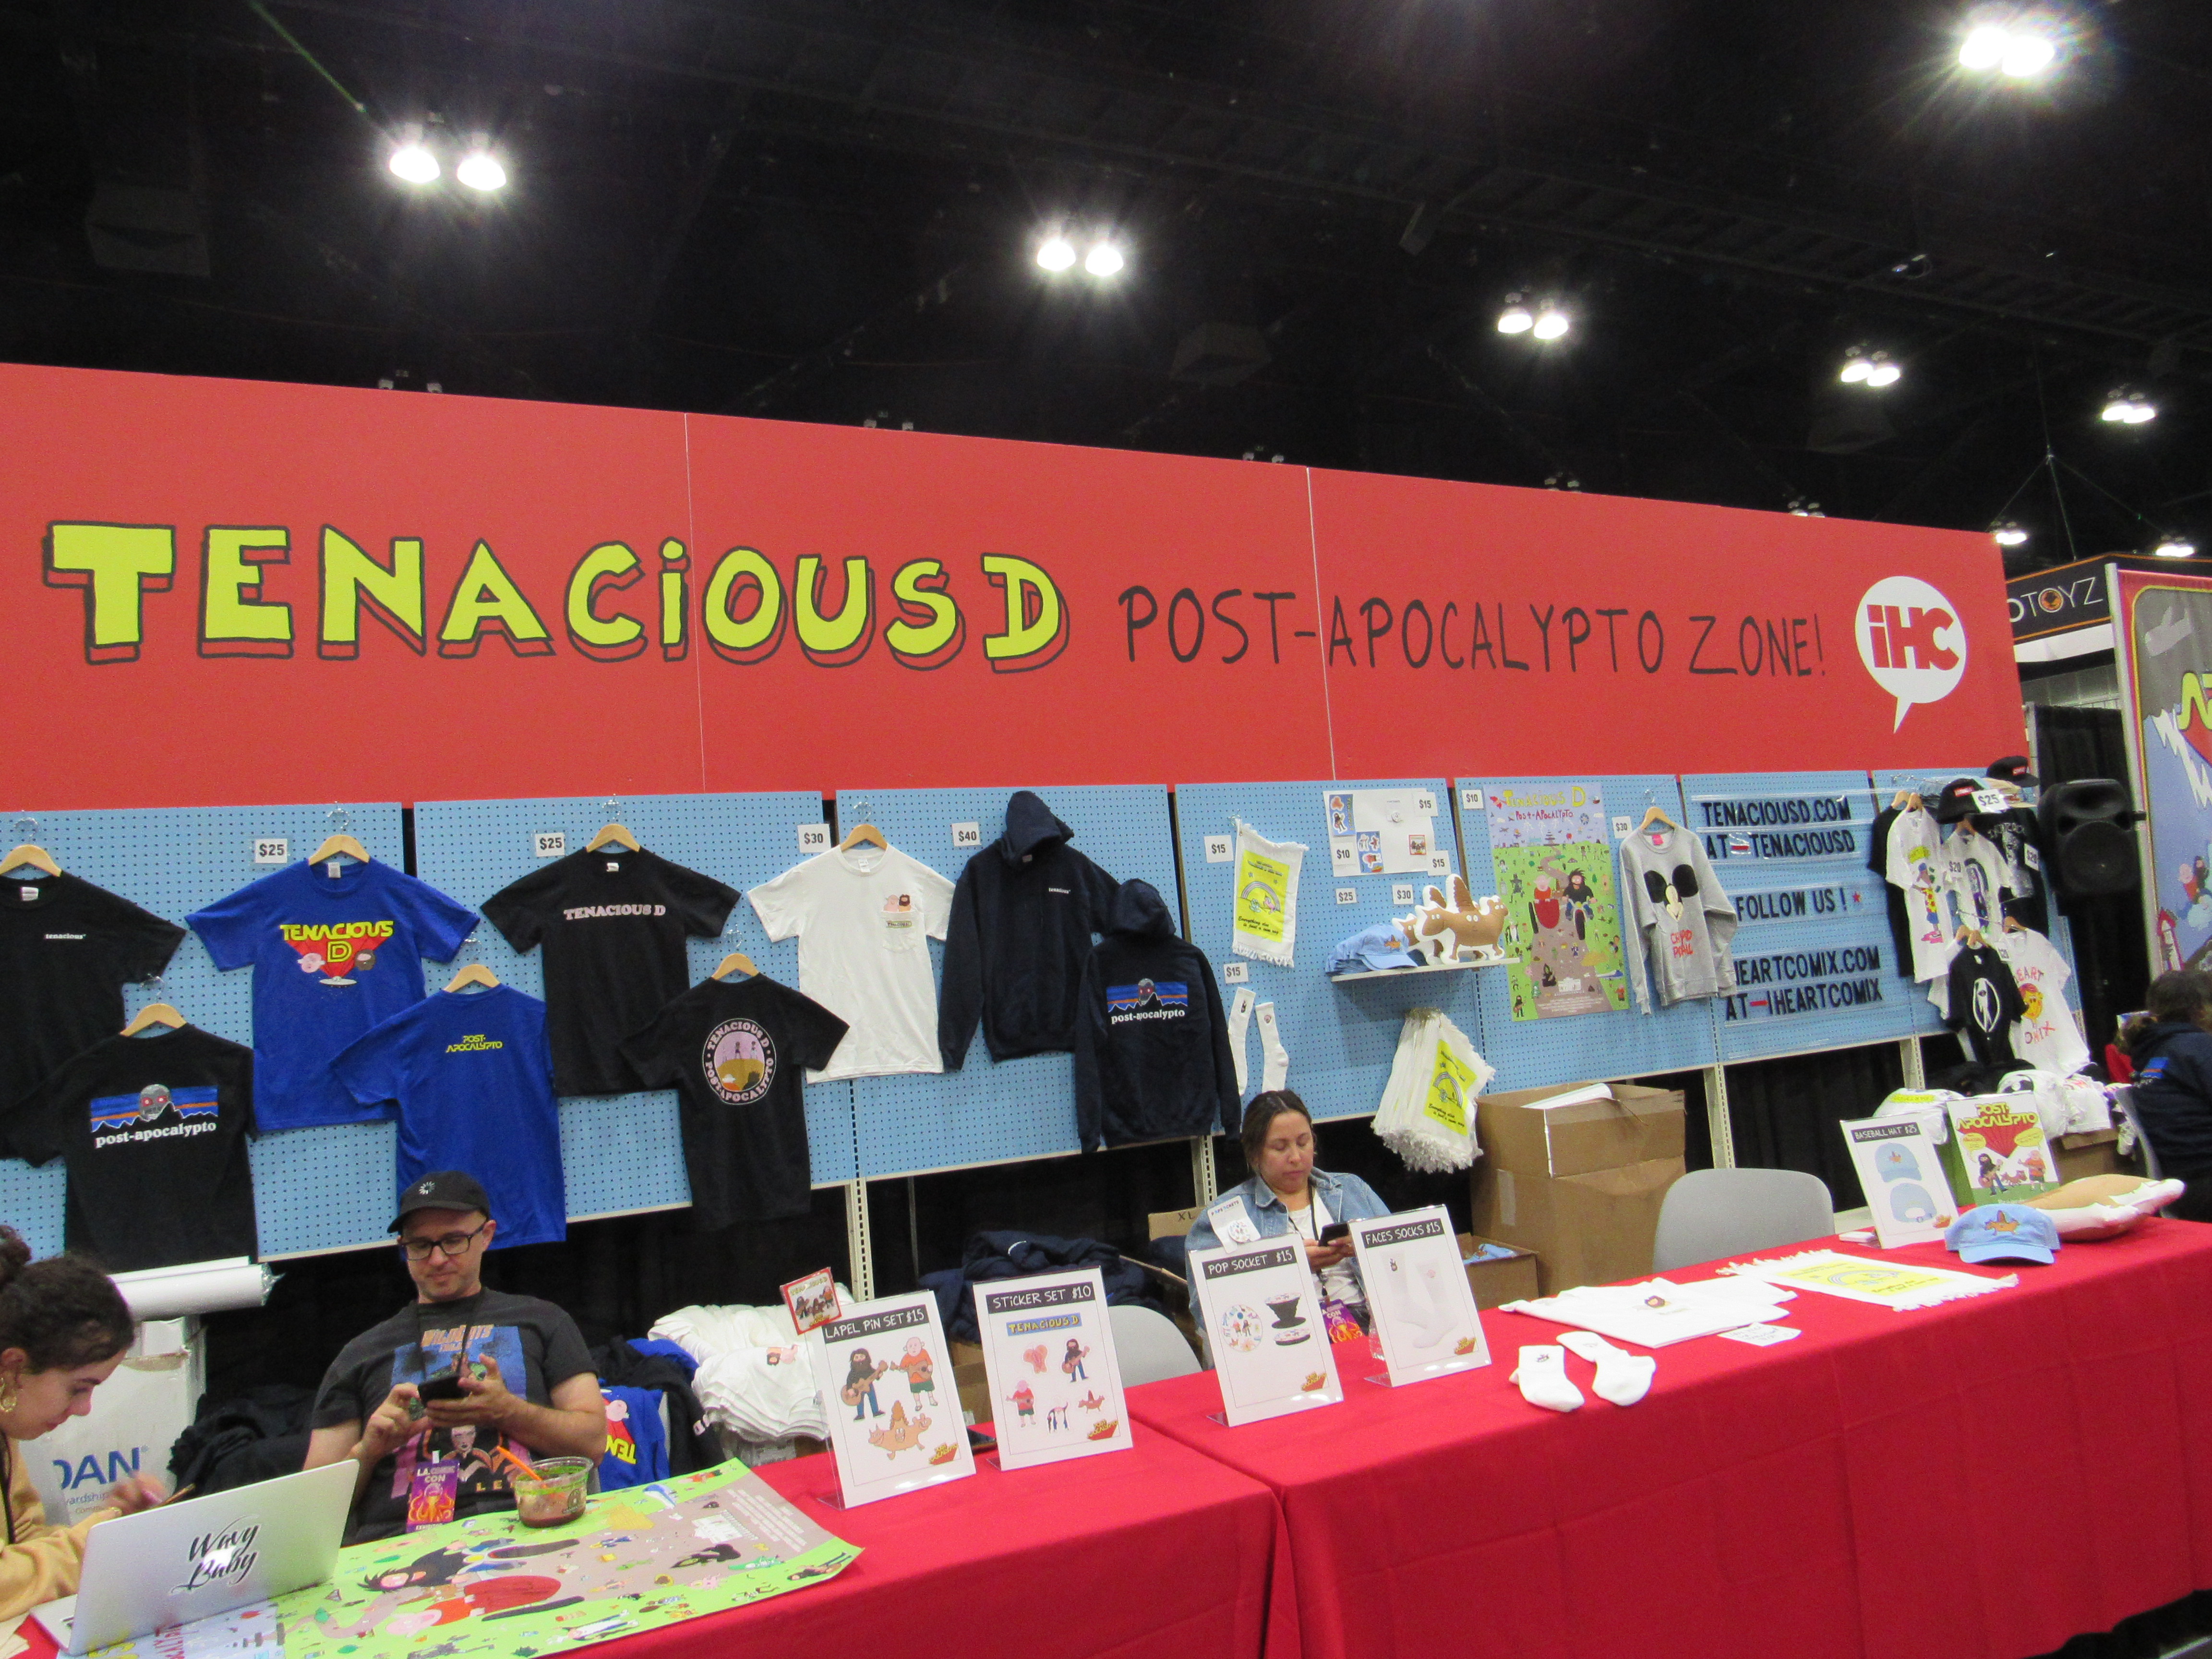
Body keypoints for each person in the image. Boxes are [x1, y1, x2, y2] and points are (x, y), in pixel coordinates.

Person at [304, 1171, 603, 1542]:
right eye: (420, 1245)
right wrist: (369, 1450)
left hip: (529, 1525)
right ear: (402, 1247)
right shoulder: (360, 1353)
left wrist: (507, 1411)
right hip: (398, 1543)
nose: (437, 1259)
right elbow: (309, 1510)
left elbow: (593, 1444)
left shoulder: (543, 1321)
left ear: (487, 1235)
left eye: (453, 1241)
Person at [0, 1225, 166, 1618]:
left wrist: (112, 1529)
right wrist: (89, 1547)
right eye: (78, 1389)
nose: (84, 1409)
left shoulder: (8, 1423)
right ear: (14, 1367)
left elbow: (21, 1543)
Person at [1185, 1090, 1392, 1337]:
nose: (1296, 1157)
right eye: (1280, 1147)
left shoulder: (1352, 1190)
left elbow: (1402, 1260)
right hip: (1287, 1334)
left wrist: (1367, 1248)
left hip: (1372, 1326)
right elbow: (1207, 1309)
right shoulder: (1225, 1215)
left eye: (1303, 1143)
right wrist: (1286, 1268)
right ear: (1254, 1153)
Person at [2121, 971, 2212, 1220]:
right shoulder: (2198, 1047)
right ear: (2202, 1010)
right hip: (2204, 1186)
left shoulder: (2153, 1051)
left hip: (2182, 1189)